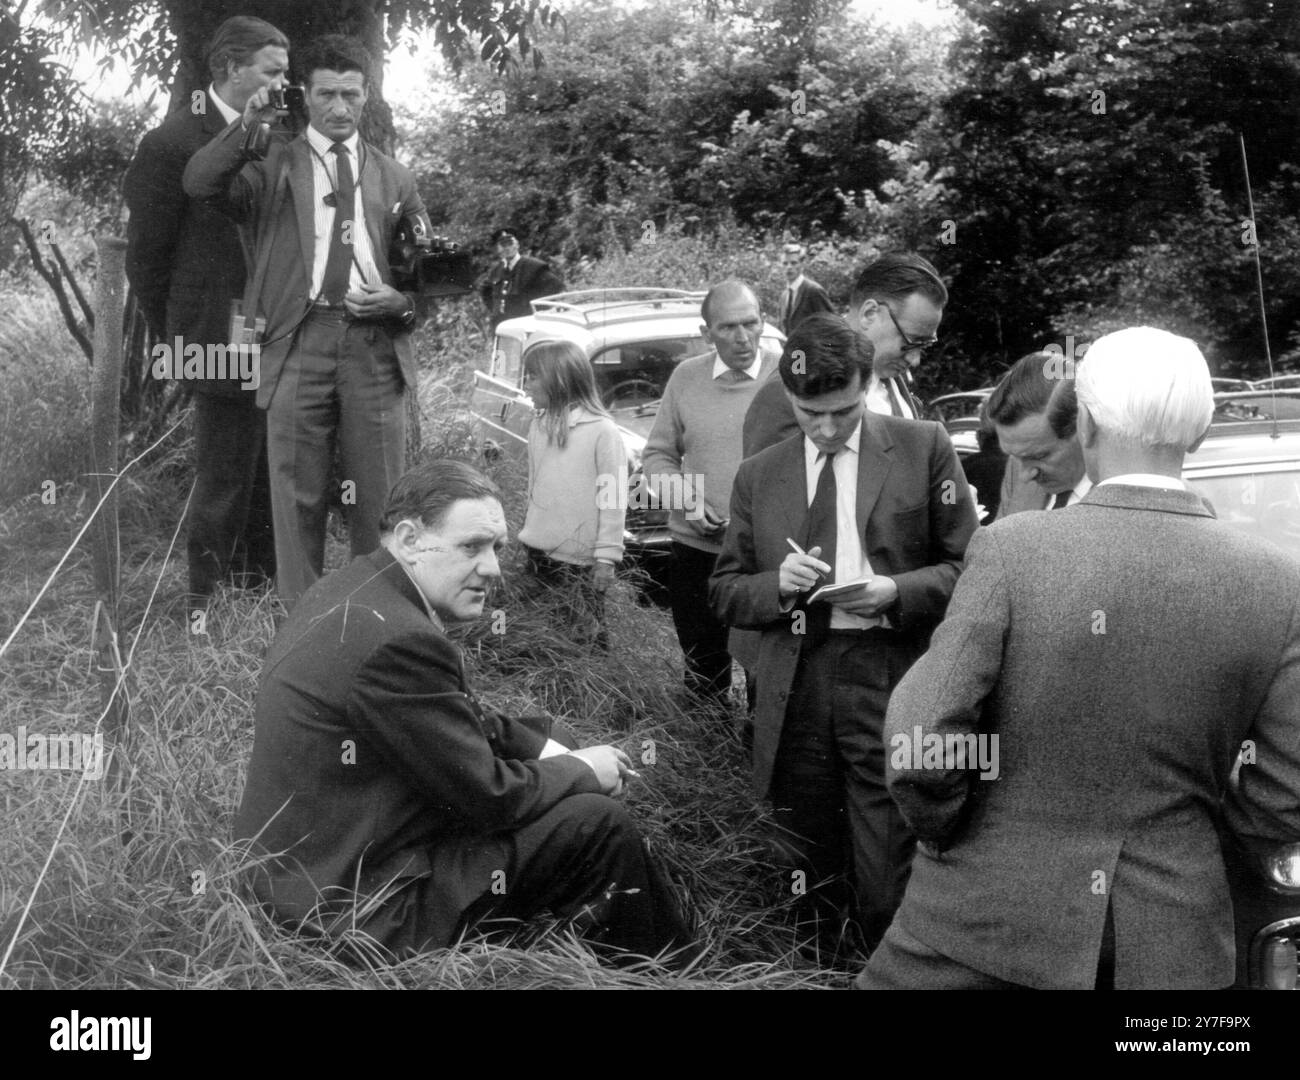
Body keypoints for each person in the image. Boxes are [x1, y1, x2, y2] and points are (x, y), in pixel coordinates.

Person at [857, 327, 1300, 990]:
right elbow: (1285, 792)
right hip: (1169, 948)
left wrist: (953, 832)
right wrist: (1190, 845)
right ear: (1201, 433)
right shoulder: (1280, 583)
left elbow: (921, 735)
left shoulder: (1013, 549)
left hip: (974, 928)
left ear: (1085, 424)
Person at [234, 459, 694, 964]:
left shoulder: (356, 589)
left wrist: (547, 746)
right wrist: (582, 769)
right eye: (471, 546)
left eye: (496, 547)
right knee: (595, 824)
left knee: (553, 742)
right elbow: (490, 799)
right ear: (410, 539)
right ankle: (668, 968)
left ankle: (601, 927)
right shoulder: (400, 643)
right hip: (360, 909)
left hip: (302, 871)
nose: (493, 568)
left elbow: (449, 720)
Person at [710, 313, 978, 958]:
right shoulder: (759, 474)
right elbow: (723, 591)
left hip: (888, 671)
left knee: (887, 870)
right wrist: (777, 583)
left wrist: (897, 592)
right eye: (810, 414)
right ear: (788, 397)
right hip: (796, 682)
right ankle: (823, 969)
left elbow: (973, 568)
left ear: (867, 388)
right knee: (805, 864)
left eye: (845, 412)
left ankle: (892, 968)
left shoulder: (924, 446)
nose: (827, 430)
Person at [184, 34, 427, 607]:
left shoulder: (396, 177)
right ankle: (305, 629)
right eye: (326, 94)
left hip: (375, 349)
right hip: (297, 342)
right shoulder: (270, 163)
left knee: (382, 497)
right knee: (297, 497)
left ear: (368, 96)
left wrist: (403, 303)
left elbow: (427, 276)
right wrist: (247, 126)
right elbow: (200, 183)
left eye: (350, 94)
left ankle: (377, 619)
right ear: (305, 96)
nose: (339, 108)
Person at [124, 15, 286, 605]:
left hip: (276, 332)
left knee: (270, 469)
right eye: (271, 71)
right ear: (228, 68)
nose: (281, 83)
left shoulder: (279, 140)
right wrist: (184, 337)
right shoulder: (171, 144)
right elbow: (146, 261)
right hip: (213, 337)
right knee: (223, 475)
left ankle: (261, 593)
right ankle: (208, 606)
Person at [641, 280, 782, 703]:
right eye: (728, 328)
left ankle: (756, 761)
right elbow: (656, 458)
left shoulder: (788, 375)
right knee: (703, 672)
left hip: (767, 556)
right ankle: (704, 759)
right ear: (706, 333)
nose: (743, 338)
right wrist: (687, 500)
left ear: (763, 322)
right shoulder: (686, 377)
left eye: (751, 324)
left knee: (767, 673)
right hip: (697, 552)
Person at [743, 252, 944, 457]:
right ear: (869, 314)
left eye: (924, 346)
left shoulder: (890, 376)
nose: (915, 360)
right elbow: (766, 483)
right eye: (910, 342)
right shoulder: (790, 385)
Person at [517, 341, 627, 648]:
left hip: (579, 562)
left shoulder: (603, 432)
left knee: (585, 641)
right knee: (537, 636)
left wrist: (606, 558)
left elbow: (614, 501)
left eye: (533, 376)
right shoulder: (538, 425)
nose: (526, 384)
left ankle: (594, 694)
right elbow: (534, 486)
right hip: (537, 553)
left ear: (559, 380)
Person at [987, 351, 1090, 516]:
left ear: (1084, 427)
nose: (1024, 476)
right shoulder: (1018, 464)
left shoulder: (1124, 489)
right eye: (1014, 455)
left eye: (1040, 456)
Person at [479, 229, 564, 330]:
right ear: (498, 249)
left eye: (510, 243)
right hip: (503, 327)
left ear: (517, 245)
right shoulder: (497, 270)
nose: (507, 248)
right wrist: (496, 310)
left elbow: (555, 286)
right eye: (502, 244)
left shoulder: (533, 266)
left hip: (527, 325)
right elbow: (485, 290)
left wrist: (536, 310)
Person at [776, 242, 834, 336]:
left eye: (794, 263)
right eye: (785, 263)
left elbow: (831, 325)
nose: (789, 267)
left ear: (802, 264)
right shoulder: (784, 296)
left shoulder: (813, 290)